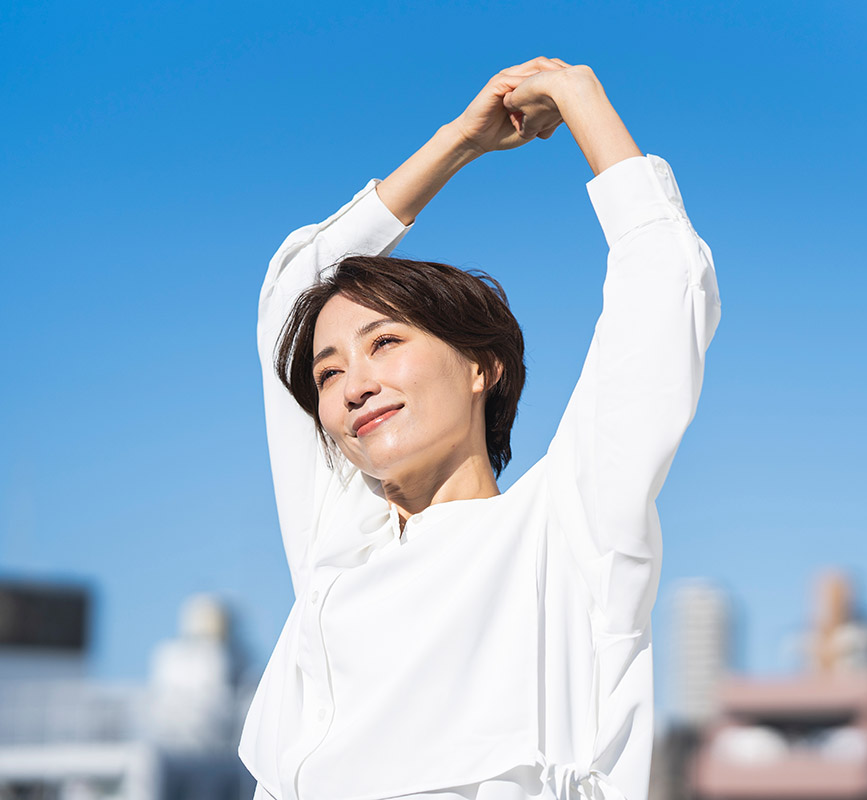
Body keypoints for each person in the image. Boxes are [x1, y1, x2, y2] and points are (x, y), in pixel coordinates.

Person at [238, 57, 721, 800]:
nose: (353, 385)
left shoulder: (567, 533)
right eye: (329, 374)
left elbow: (662, 279)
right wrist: (461, 140)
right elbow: (298, 287)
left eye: (386, 343)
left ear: (480, 368)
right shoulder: (336, 548)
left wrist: (575, 93)